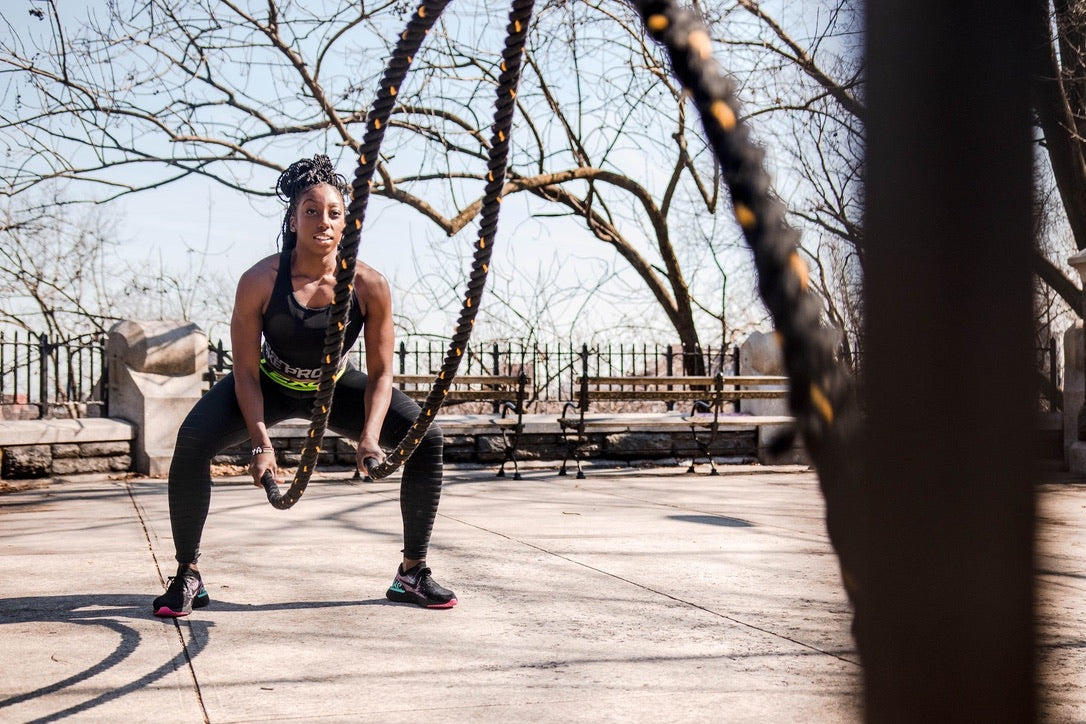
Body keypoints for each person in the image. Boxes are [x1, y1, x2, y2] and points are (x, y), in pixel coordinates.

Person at [151, 155, 455, 616]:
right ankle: (187, 573)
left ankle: (411, 572)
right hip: (269, 383)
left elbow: (380, 375)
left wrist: (370, 437)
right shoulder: (260, 280)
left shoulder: (370, 285)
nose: (324, 221)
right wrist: (260, 444)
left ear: (347, 220)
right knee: (192, 441)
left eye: (334, 212)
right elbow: (247, 373)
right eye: (311, 210)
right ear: (293, 218)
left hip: (334, 388)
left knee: (425, 439)